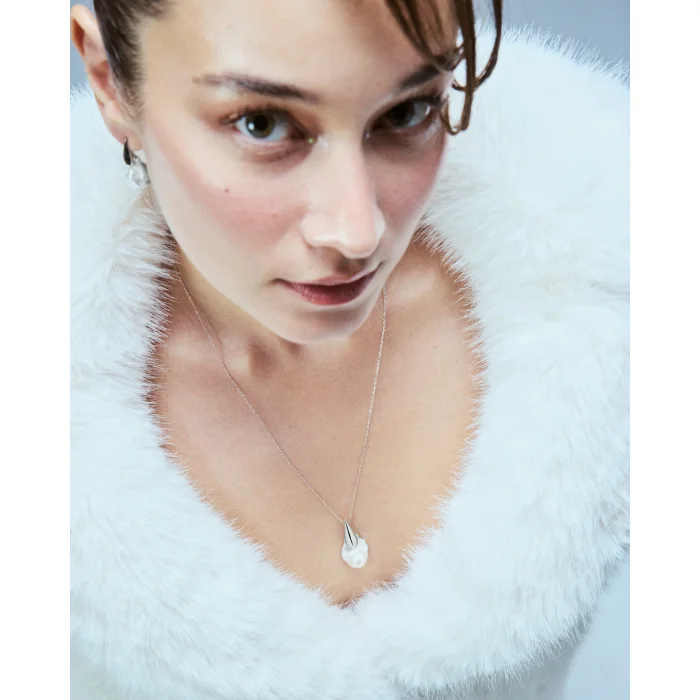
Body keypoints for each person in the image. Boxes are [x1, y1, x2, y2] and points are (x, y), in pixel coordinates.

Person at [69, 0, 629, 698]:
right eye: (263, 124)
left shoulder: (614, 291)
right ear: (108, 79)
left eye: (407, 114)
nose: (357, 232)